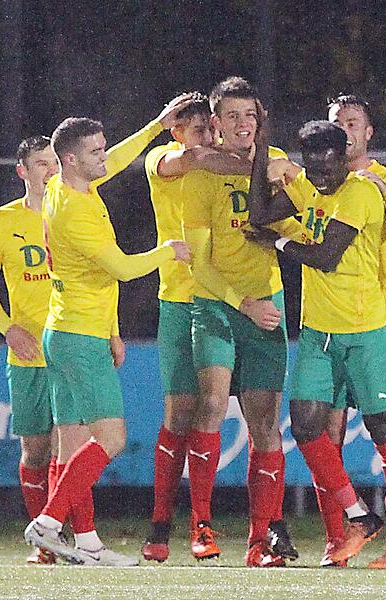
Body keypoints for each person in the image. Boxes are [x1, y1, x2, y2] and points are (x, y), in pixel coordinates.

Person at [245, 119, 386, 569]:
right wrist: (261, 148)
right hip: (318, 333)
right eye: (313, 168)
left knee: (385, 429)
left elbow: (324, 256)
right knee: (306, 427)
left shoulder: (361, 192)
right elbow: (259, 213)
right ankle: (359, 515)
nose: (321, 177)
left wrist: (278, 240)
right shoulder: (309, 185)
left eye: (327, 167)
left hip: (365, 331)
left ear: (344, 157)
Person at [23, 109, 191, 566]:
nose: (105, 157)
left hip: (64, 331)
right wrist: (168, 251)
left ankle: (88, 543)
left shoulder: (63, 186)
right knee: (112, 439)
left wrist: (155, 126)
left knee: (72, 448)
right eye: (95, 151)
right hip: (79, 338)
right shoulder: (76, 210)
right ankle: (48, 523)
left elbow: (115, 160)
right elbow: (121, 268)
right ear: (71, 160)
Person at [180, 76, 297, 567]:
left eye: (250, 115)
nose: (243, 123)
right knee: (210, 405)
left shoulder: (276, 164)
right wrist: (242, 303)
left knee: (265, 423)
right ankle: (201, 526)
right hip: (217, 303)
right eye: (232, 116)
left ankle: (260, 541)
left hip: (266, 303)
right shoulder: (200, 175)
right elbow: (199, 264)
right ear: (216, 122)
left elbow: (297, 224)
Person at [140, 92, 259, 563]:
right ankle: (159, 525)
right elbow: (193, 159)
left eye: (211, 128)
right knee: (179, 415)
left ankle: (207, 524)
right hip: (178, 301)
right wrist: (256, 161)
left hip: (224, 299)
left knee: (228, 409)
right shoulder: (163, 160)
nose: (208, 138)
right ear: (176, 132)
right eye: (198, 130)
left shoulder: (223, 169)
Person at [322, 94, 386, 568]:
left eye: (352, 123)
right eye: (337, 123)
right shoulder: (321, 183)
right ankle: (337, 538)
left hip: (381, 321)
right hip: (328, 324)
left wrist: (379, 187)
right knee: (326, 432)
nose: (345, 131)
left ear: (368, 131)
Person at [0, 135, 59, 565]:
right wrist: (9, 329)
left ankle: (70, 533)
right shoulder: (0, 221)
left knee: (65, 448)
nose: (51, 171)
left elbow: (102, 276)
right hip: (26, 355)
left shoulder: (77, 213)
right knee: (35, 451)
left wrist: (111, 331)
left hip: (72, 347)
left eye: (55, 162)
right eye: (41, 164)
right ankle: (45, 539)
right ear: (23, 171)